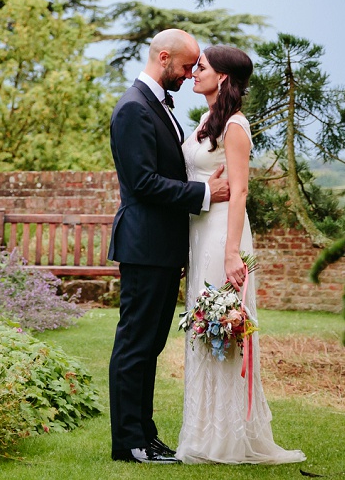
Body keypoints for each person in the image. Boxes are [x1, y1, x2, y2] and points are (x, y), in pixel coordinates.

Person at [175, 44, 304, 465]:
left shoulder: (234, 125)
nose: (194, 72)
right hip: (199, 230)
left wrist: (233, 254)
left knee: (222, 331)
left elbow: (241, 190)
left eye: (202, 67)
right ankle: (202, 432)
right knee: (204, 328)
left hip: (221, 237)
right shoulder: (206, 119)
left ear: (224, 77)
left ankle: (226, 439)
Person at [107, 29, 229, 464]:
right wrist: (204, 195)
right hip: (144, 245)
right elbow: (142, 183)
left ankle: (146, 434)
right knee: (135, 345)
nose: (190, 73)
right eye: (186, 65)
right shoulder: (133, 109)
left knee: (151, 346)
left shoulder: (157, 106)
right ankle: (129, 443)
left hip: (161, 247)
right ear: (163, 58)